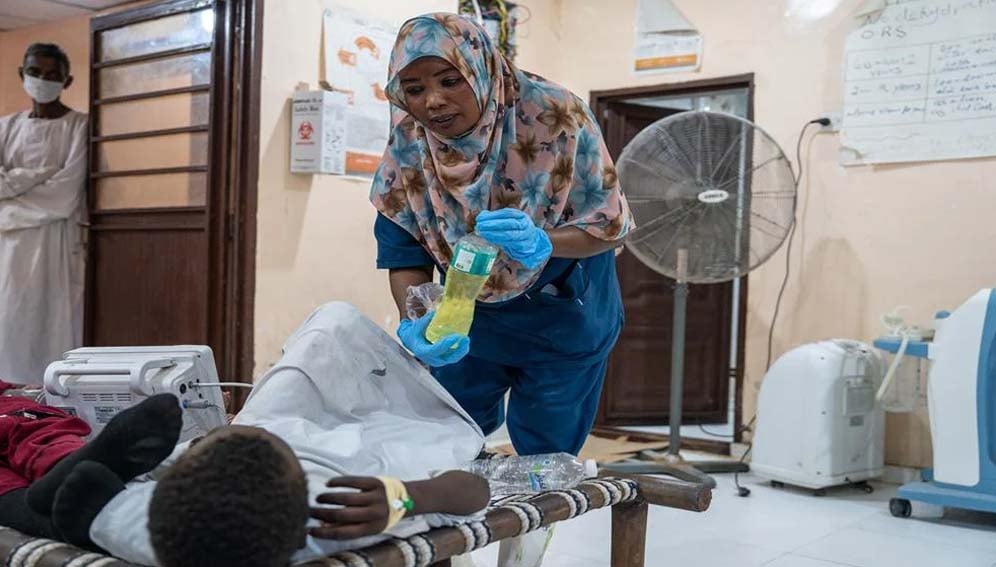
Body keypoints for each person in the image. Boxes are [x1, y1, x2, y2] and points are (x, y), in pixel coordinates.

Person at [6, 302, 489, 567]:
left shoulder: (158, 523)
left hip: (277, 429)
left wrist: (92, 470)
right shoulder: (333, 513)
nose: (227, 431)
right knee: (337, 332)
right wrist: (406, 498)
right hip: (362, 443)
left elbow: (80, 493)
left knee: (324, 338)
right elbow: (473, 490)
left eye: (213, 441)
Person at [372, 14, 633, 459]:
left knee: (545, 457)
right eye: (413, 89)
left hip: (562, 317)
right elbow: (402, 242)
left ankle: (533, 508)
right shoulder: (410, 139)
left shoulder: (555, 117)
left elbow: (609, 227)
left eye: (449, 80)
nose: (433, 101)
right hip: (467, 319)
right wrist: (416, 316)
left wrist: (546, 241)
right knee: (450, 439)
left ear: (479, 68)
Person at [0, 43, 88, 385]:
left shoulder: (79, 126)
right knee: (9, 322)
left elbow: (65, 194)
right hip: (8, 249)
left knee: (53, 325)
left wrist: (10, 198)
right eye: (35, 72)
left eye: (53, 75)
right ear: (21, 74)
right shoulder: (6, 127)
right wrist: (38, 175)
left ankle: (51, 400)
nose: (43, 80)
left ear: (68, 81)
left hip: (57, 244)